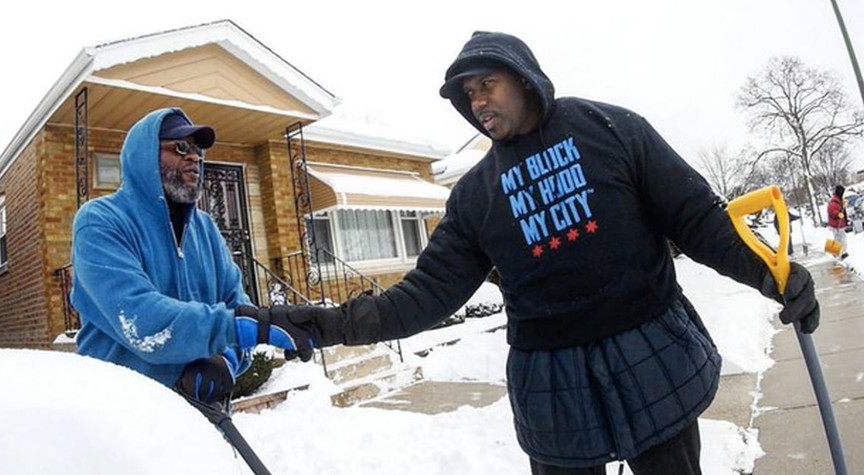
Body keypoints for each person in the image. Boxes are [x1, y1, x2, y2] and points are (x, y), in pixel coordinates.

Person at [284, 32, 820, 474]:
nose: (477, 102)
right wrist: (322, 325)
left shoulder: (610, 129)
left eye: (487, 85)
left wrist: (774, 276)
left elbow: (696, 218)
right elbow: (421, 297)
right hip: (554, 388)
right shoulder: (475, 196)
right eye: (468, 94)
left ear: (523, 77)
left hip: (651, 355)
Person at [70, 107, 314, 410]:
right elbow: (141, 319)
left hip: (203, 420)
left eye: (197, 149)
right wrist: (248, 327)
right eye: (180, 147)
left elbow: (236, 303)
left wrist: (226, 360)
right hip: (123, 418)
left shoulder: (206, 229)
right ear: (144, 157)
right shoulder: (102, 221)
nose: (194, 157)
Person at [827, 185, 849, 259]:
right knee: (840, 238)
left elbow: (840, 208)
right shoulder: (834, 201)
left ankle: (838, 253)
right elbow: (832, 210)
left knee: (839, 238)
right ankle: (839, 254)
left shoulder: (838, 199)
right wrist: (838, 214)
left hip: (839, 223)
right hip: (836, 224)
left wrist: (843, 205)